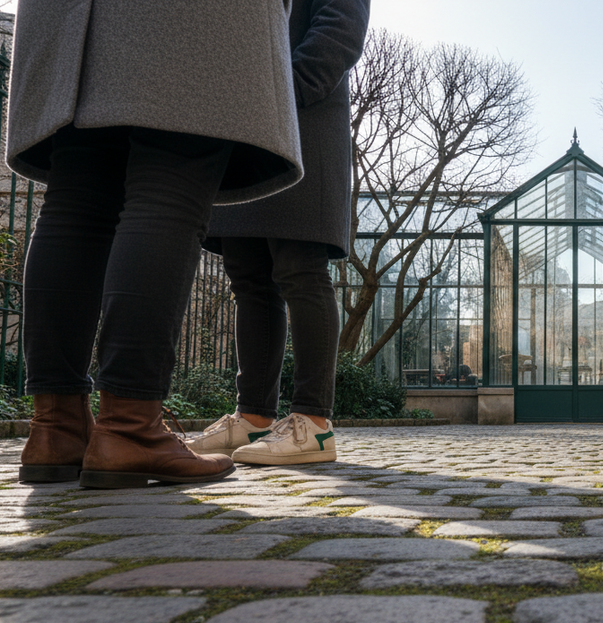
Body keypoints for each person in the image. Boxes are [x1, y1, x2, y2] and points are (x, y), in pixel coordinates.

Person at [10, 2, 303, 488]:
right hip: (183, 20)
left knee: (76, 199)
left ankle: (55, 430)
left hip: (69, 19)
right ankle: (130, 429)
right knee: (171, 184)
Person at [187, 0, 370, 466]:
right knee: (248, 279)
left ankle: (314, 424)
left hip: (301, 122)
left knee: (300, 269)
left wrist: (286, 93)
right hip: (242, 128)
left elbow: (341, 27)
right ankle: (253, 419)